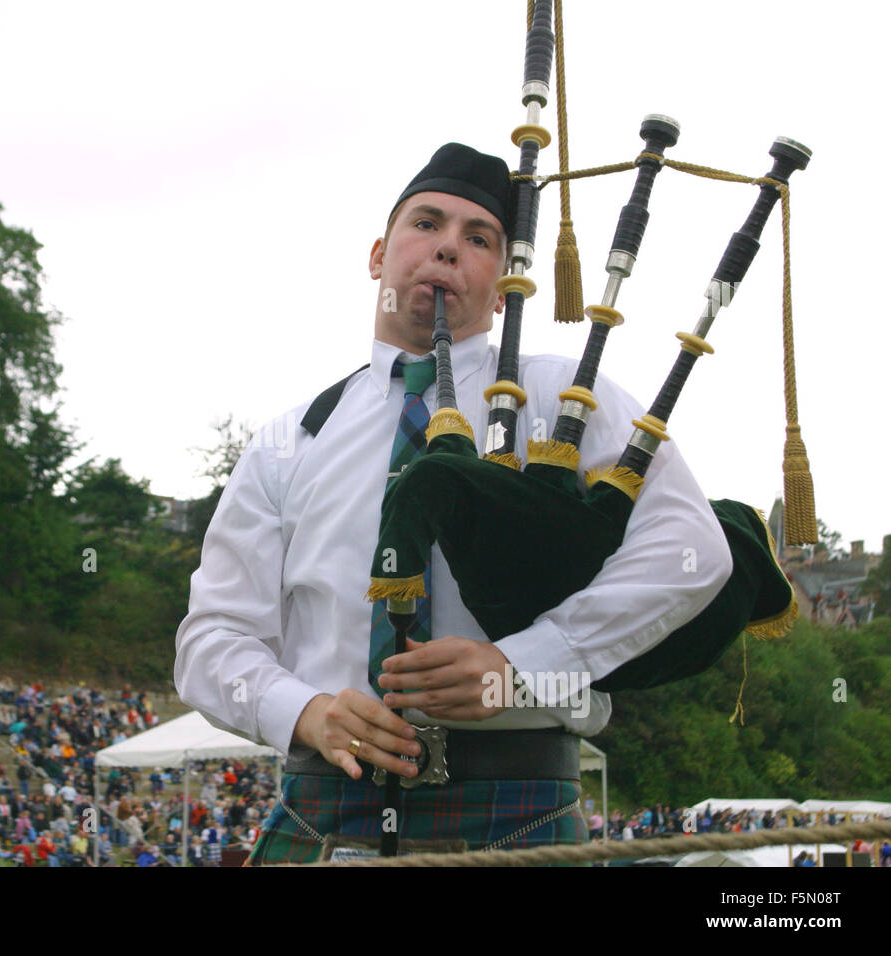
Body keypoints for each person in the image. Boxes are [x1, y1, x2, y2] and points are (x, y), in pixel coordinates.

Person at [175, 143, 731, 864]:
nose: (447, 249)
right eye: (426, 224)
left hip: (518, 806)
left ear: (501, 287)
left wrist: (523, 665)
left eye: (478, 240)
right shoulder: (292, 439)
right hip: (323, 808)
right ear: (378, 254)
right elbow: (210, 639)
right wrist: (304, 711)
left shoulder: (563, 399)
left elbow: (691, 550)